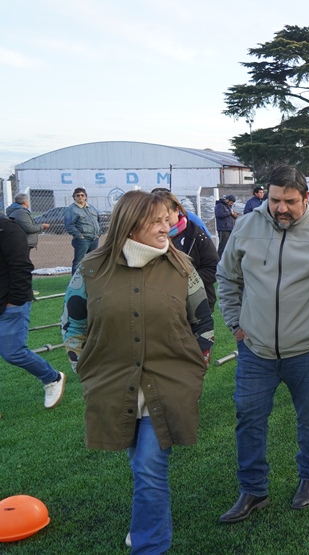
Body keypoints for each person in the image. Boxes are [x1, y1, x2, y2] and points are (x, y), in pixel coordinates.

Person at [62, 190, 214, 553]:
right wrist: (85, 370)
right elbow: (73, 324)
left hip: (168, 386)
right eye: (158, 220)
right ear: (130, 223)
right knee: (140, 467)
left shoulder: (182, 267)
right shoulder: (91, 269)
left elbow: (203, 324)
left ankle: (149, 546)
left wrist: (195, 372)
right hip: (114, 387)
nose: (168, 226)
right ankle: (145, 520)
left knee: (149, 469)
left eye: (169, 219)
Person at [216, 165, 309, 522]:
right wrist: (236, 323)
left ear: (307, 199)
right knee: (249, 419)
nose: (281, 208)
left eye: (290, 202)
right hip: (256, 350)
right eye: (275, 200)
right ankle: (253, 490)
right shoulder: (247, 226)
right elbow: (226, 276)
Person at [1, 212, 65, 409]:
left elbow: (21, 267)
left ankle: (52, 378)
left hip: (9, 304)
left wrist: (15, 302)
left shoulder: (7, 228)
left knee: (13, 352)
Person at [152, 190, 221, 309]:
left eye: (167, 218)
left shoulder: (196, 234)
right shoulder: (149, 236)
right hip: (161, 304)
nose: (164, 225)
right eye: (157, 219)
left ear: (177, 209)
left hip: (196, 304)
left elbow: (213, 268)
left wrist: (180, 282)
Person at [64, 187, 103, 272]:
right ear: (74, 197)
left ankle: (89, 282)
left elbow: (98, 221)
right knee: (78, 262)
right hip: (82, 241)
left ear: (85, 197)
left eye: (82, 195)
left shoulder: (91, 208)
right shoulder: (71, 209)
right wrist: (80, 236)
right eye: (78, 195)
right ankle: (76, 285)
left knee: (92, 261)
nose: (80, 197)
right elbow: (69, 225)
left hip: (94, 239)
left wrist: (98, 234)